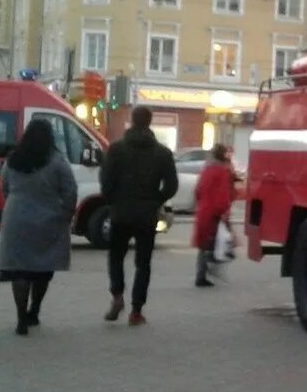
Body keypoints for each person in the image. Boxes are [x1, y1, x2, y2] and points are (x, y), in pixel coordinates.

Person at [0, 119, 78, 336]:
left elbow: (4, 187)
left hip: (16, 219)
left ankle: (21, 318)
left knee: (19, 270)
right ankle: (34, 311)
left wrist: (14, 205)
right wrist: (66, 214)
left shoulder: (13, 159)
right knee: (42, 268)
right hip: (48, 219)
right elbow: (70, 191)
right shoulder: (57, 161)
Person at [100, 106, 178, 325]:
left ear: (132, 121)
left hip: (120, 213)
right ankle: (136, 310)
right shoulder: (162, 153)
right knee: (143, 263)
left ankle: (117, 296)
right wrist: (156, 200)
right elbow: (172, 185)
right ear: (150, 122)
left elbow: (106, 182)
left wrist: (113, 200)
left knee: (116, 256)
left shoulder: (116, 150)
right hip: (147, 215)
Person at [192, 144, 238, 288]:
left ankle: (201, 274)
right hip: (214, 211)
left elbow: (198, 190)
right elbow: (223, 195)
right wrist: (224, 211)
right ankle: (212, 269)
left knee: (204, 244)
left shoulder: (206, 169)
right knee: (219, 242)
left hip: (203, 209)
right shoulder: (222, 171)